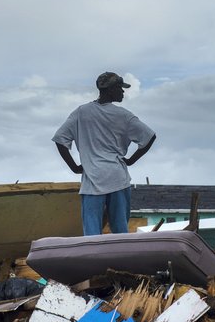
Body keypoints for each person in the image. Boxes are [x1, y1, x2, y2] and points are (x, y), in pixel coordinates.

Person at [53, 71, 156, 235]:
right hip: (117, 178)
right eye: (120, 88)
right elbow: (149, 137)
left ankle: (93, 259)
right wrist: (131, 160)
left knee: (91, 233)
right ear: (111, 89)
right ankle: (121, 259)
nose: (123, 92)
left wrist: (74, 167)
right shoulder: (124, 116)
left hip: (92, 179)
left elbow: (60, 140)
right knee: (120, 229)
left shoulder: (81, 112)